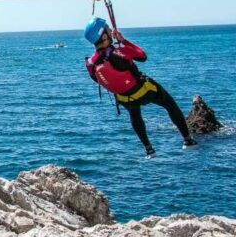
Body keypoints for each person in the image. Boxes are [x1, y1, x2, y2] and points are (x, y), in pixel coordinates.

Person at [84, 17, 197, 158]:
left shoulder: (90, 63)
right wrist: (123, 41)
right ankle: (187, 140)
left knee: (134, 114)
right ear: (104, 34)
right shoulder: (119, 51)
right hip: (144, 90)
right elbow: (142, 56)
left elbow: (98, 80)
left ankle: (149, 149)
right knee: (169, 104)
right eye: (107, 28)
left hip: (124, 98)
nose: (110, 29)